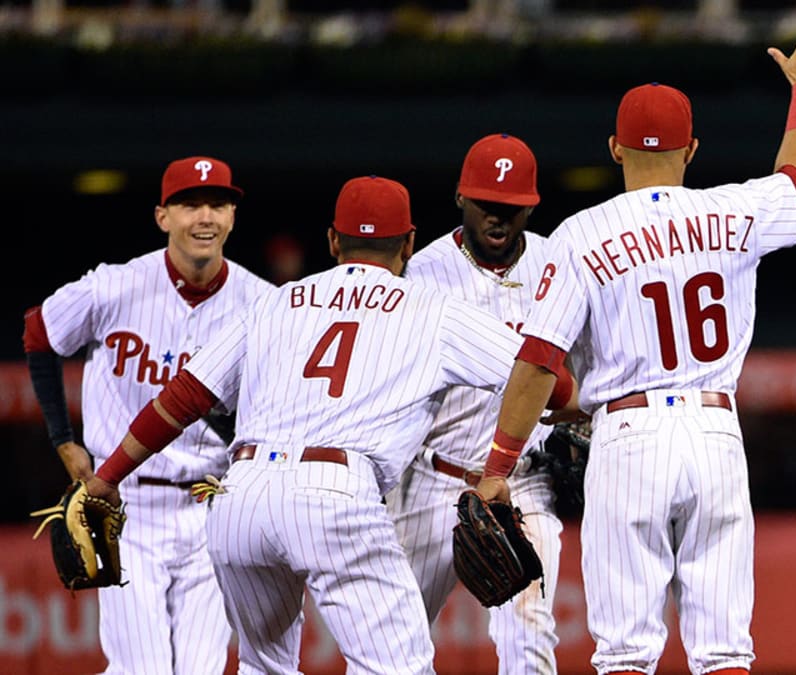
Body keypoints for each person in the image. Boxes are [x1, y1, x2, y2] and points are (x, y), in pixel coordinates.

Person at [78, 175, 577, 674]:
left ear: (333, 241)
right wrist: (551, 426)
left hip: (241, 496)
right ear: (408, 243)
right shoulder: (433, 309)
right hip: (336, 492)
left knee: (263, 664)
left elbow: (184, 396)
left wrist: (107, 476)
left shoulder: (274, 301)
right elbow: (545, 380)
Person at [471, 6, 796, 673]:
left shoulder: (580, 234)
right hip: (715, 431)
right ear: (692, 150)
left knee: (624, 652)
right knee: (725, 647)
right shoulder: (731, 209)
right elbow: (795, 181)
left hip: (629, 437)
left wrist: (499, 466)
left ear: (614, 149)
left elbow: (537, 361)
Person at [21, 156, 272, 674]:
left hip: (213, 504)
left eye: (218, 204)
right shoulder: (114, 286)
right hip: (124, 505)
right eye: (189, 204)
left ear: (232, 216)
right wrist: (63, 439)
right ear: (162, 217)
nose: (205, 217)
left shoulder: (262, 302)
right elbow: (39, 332)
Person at [384, 133, 565, 672]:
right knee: (390, 645)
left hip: (522, 484)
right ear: (460, 197)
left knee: (530, 640)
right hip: (430, 480)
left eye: (512, 208)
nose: (498, 217)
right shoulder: (422, 273)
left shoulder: (559, 266)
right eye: (487, 203)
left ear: (530, 206)